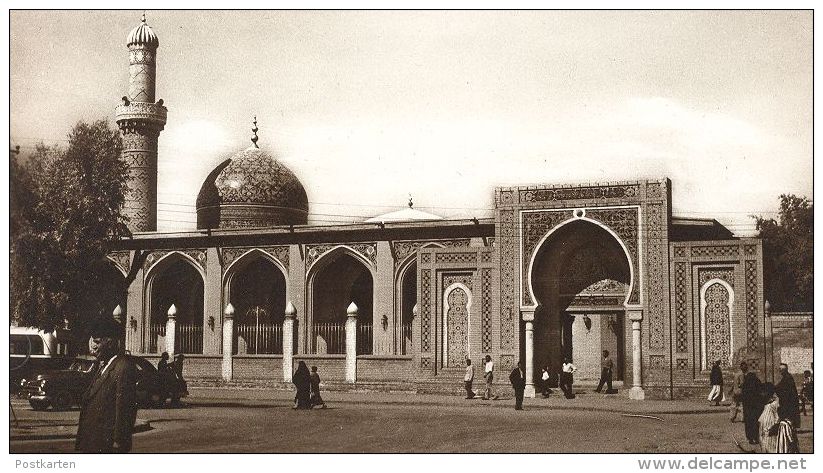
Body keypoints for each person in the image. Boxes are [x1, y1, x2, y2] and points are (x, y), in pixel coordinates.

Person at [75, 317, 137, 453]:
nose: (93, 346)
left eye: (97, 342)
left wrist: (118, 441)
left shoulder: (123, 367)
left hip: (107, 445)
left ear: (110, 343)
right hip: (93, 443)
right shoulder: (102, 366)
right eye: (93, 341)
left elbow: (124, 409)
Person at [740, 368, 763, 445]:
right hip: (756, 408)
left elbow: (743, 396)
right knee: (756, 423)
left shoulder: (745, 384)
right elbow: (760, 393)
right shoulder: (757, 382)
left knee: (749, 423)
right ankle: (756, 438)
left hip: (748, 408)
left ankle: (750, 438)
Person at [775, 363, 800, 429]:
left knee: (789, 415)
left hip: (789, 401)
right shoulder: (786, 377)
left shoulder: (788, 378)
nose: (779, 371)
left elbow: (785, 390)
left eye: (780, 369)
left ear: (784, 370)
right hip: (788, 400)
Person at [758, 383, 780, 453]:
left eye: (762, 392)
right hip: (765, 439)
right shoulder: (766, 406)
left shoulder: (774, 405)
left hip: (771, 438)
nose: (761, 395)